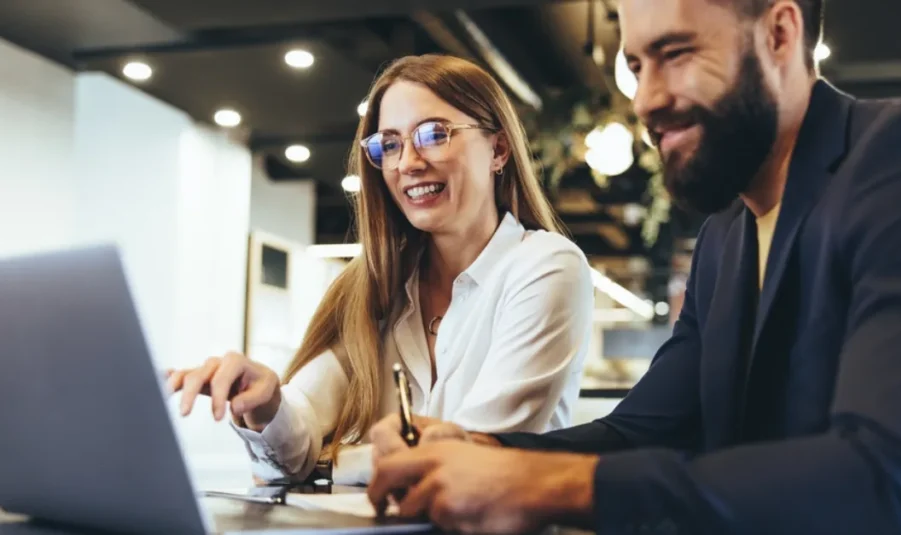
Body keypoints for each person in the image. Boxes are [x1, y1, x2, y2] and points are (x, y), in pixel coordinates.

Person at [366, 0, 901, 533]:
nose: (647, 99)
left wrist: (552, 485)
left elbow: (894, 488)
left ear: (779, 33)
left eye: (675, 54)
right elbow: (642, 430)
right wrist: (483, 450)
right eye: (634, 67)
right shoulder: (725, 237)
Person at [165, 54, 594, 486]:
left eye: (433, 134)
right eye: (389, 144)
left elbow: (471, 457)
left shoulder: (546, 266)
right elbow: (298, 430)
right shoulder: (377, 287)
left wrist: (329, 464)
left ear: (498, 149)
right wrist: (267, 404)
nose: (407, 162)